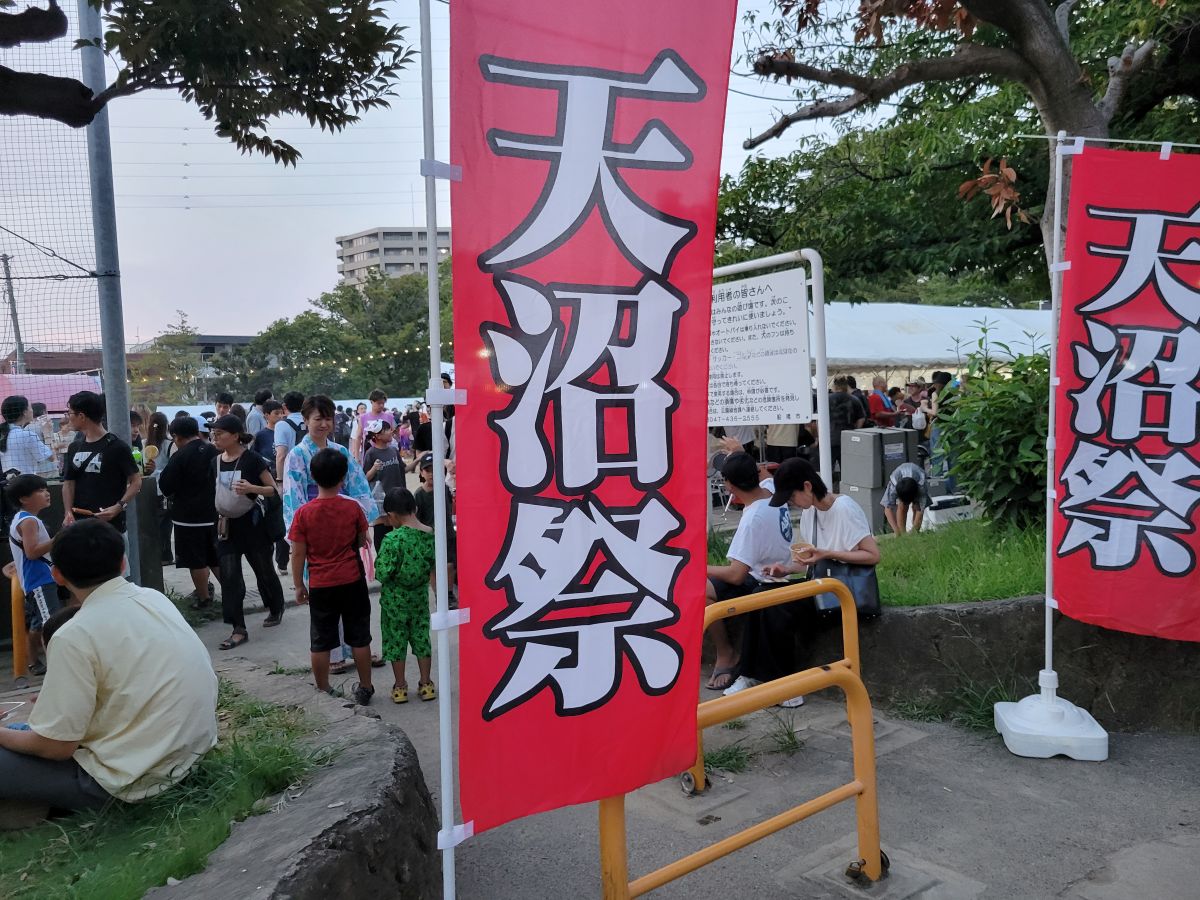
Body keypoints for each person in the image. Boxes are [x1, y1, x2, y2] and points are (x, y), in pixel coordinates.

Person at [0, 519, 217, 812]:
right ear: (123, 562)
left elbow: (55, 747)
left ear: (57, 575)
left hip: (130, 782)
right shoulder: (154, 598)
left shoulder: (72, 635)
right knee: (18, 730)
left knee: (15, 739)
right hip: (191, 757)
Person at [748, 458, 881, 702]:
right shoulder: (810, 513)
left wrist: (827, 554)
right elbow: (808, 560)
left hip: (842, 590)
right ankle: (752, 674)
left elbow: (873, 555)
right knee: (758, 594)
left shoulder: (844, 508)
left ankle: (786, 686)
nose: (792, 503)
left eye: (792, 496)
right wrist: (785, 570)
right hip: (821, 584)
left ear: (807, 486)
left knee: (778, 607)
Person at [281, 395, 380, 673]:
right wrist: (300, 537)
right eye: (318, 418)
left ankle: (357, 646)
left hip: (342, 529)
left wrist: (362, 524)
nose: (324, 424)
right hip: (315, 533)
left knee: (350, 596)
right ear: (305, 420)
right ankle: (335, 653)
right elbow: (293, 498)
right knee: (325, 600)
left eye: (328, 418)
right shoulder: (297, 455)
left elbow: (358, 486)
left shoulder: (340, 451)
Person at [288, 448, 375, 705]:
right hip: (352, 579)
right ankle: (365, 687)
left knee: (321, 639)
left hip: (321, 583)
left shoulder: (303, 513)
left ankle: (324, 689)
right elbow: (361, 539)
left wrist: (298, 585)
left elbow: (297, 554)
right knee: (359, 636)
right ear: (343, 477)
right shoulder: (352, 508)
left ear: (313, 477)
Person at [704, 452, 792, 693]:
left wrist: (698, 568)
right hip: (782, 570)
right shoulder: (773, 491)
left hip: (763, 579)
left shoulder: (752, 519)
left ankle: (726, 655)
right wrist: (739, 451)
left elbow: (736, 575)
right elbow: (764, 474)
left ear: (729, 485)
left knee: (702, 591)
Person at [210, 414, 286, 650]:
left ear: (235, 435)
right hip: (227, 526)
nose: (215, 438)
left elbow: (273, 490)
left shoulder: (252, 460)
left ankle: (276, 606)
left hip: (253, 525)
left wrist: (252, 488)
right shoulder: (215, 461)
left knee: (263, 570)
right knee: (230, 576)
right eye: (213, 434)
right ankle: (238, 628)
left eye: (219, 434)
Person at [375, 487, 437, 704]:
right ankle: (426, 684)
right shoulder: (429, 534)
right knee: (421, 638)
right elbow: (433, 565)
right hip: (419, 598)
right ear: (415, 508)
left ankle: (400, 687)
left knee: (396, 640)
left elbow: (382, 572)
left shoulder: (393, 539)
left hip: (395, 602)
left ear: (392, 515)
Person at [158, 416, 219, 608]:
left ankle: (204, 599)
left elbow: (166, 486)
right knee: (215, 558)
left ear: (176, 436)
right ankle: (233, 593)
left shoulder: (180, 456)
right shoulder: (214, 451)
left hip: (188, 518)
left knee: (196, 561)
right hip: (215, 514)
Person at [61, 391, 141, 534]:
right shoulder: (74, 447)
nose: (68, 418)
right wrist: (68, 512)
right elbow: (68, 483)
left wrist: (119, 506)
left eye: (70, 413)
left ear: (82, 416)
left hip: (111, 527)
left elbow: (136, 481)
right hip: (80, 524)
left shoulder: (117, 446)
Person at [7, 475, 60, 677]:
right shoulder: (29, 521)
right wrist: (60, 537)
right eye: (39, 491)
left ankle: (34, 662)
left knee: (39, 623)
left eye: (45, 489)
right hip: (39, 581)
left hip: (36, 581)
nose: (46, 493)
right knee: (51, 624)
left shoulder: (22, 518)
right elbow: (32, 552)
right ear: (23, 498)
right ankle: (58, 668)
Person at [414, 452, 457, 607]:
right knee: (434, 568)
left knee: (450, 565)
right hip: (430, 537)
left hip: (448, 534)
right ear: (421, 473)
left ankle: (449, 594)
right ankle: (439, 596)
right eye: (428, 470)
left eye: (435, 469)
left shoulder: (444, 489)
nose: (432, 473)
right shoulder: (419, 494)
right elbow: (417, 518)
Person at [363, 419, 403, 551]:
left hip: (397, 496)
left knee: (399, 529)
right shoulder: (371, 453)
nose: (391, 431)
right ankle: (381, 557)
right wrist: (374, 469)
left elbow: (402, 471)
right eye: (387, 430)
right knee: (383, 530)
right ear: (378, 436)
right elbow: (365, 478)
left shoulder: (393, 451)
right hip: (381, 500)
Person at [0, 395, 53, 476]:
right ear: (24, 412)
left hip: (7, 481)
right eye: (30, 408)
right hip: (26, 481)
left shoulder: (4, 434)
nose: (32, 411)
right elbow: (51, 457)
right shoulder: (28, 435)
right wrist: (47, 433)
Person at [828, 377, 866, 477]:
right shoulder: (854, 399)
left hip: (830, 438)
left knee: (828, 469)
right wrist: (856, 431)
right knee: (848, 469)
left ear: (834, 386)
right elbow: (861, 418)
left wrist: (819, 437)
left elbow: (818, 420)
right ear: (846, 386)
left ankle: (829, 485)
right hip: (848, 439)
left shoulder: (826, 399)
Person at [882, 461, 931, 536]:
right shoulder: (893, 485)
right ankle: (902, 533)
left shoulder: (921, 485)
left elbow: (920, 510)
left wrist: (914, 531)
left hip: (916, 481)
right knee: (902, 507)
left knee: (916, 506)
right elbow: (887, 509)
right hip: (900, 480)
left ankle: (915, 533)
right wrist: (896, 531)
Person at [353, 390, 395, 462]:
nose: (381, 405)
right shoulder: (363, 418)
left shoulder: (389, 417)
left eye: (383, 403)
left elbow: (393, 434)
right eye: (379, 403)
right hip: (369, 455)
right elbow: (358, 437)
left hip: (386, 454)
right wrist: (356, 456)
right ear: (371, 402)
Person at [253, 399, 284, 469]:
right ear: (267, 415)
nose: (280, 416)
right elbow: (255, 456)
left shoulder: (286, 432)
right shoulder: (260, 435)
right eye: (276, 413)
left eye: (282, 413)